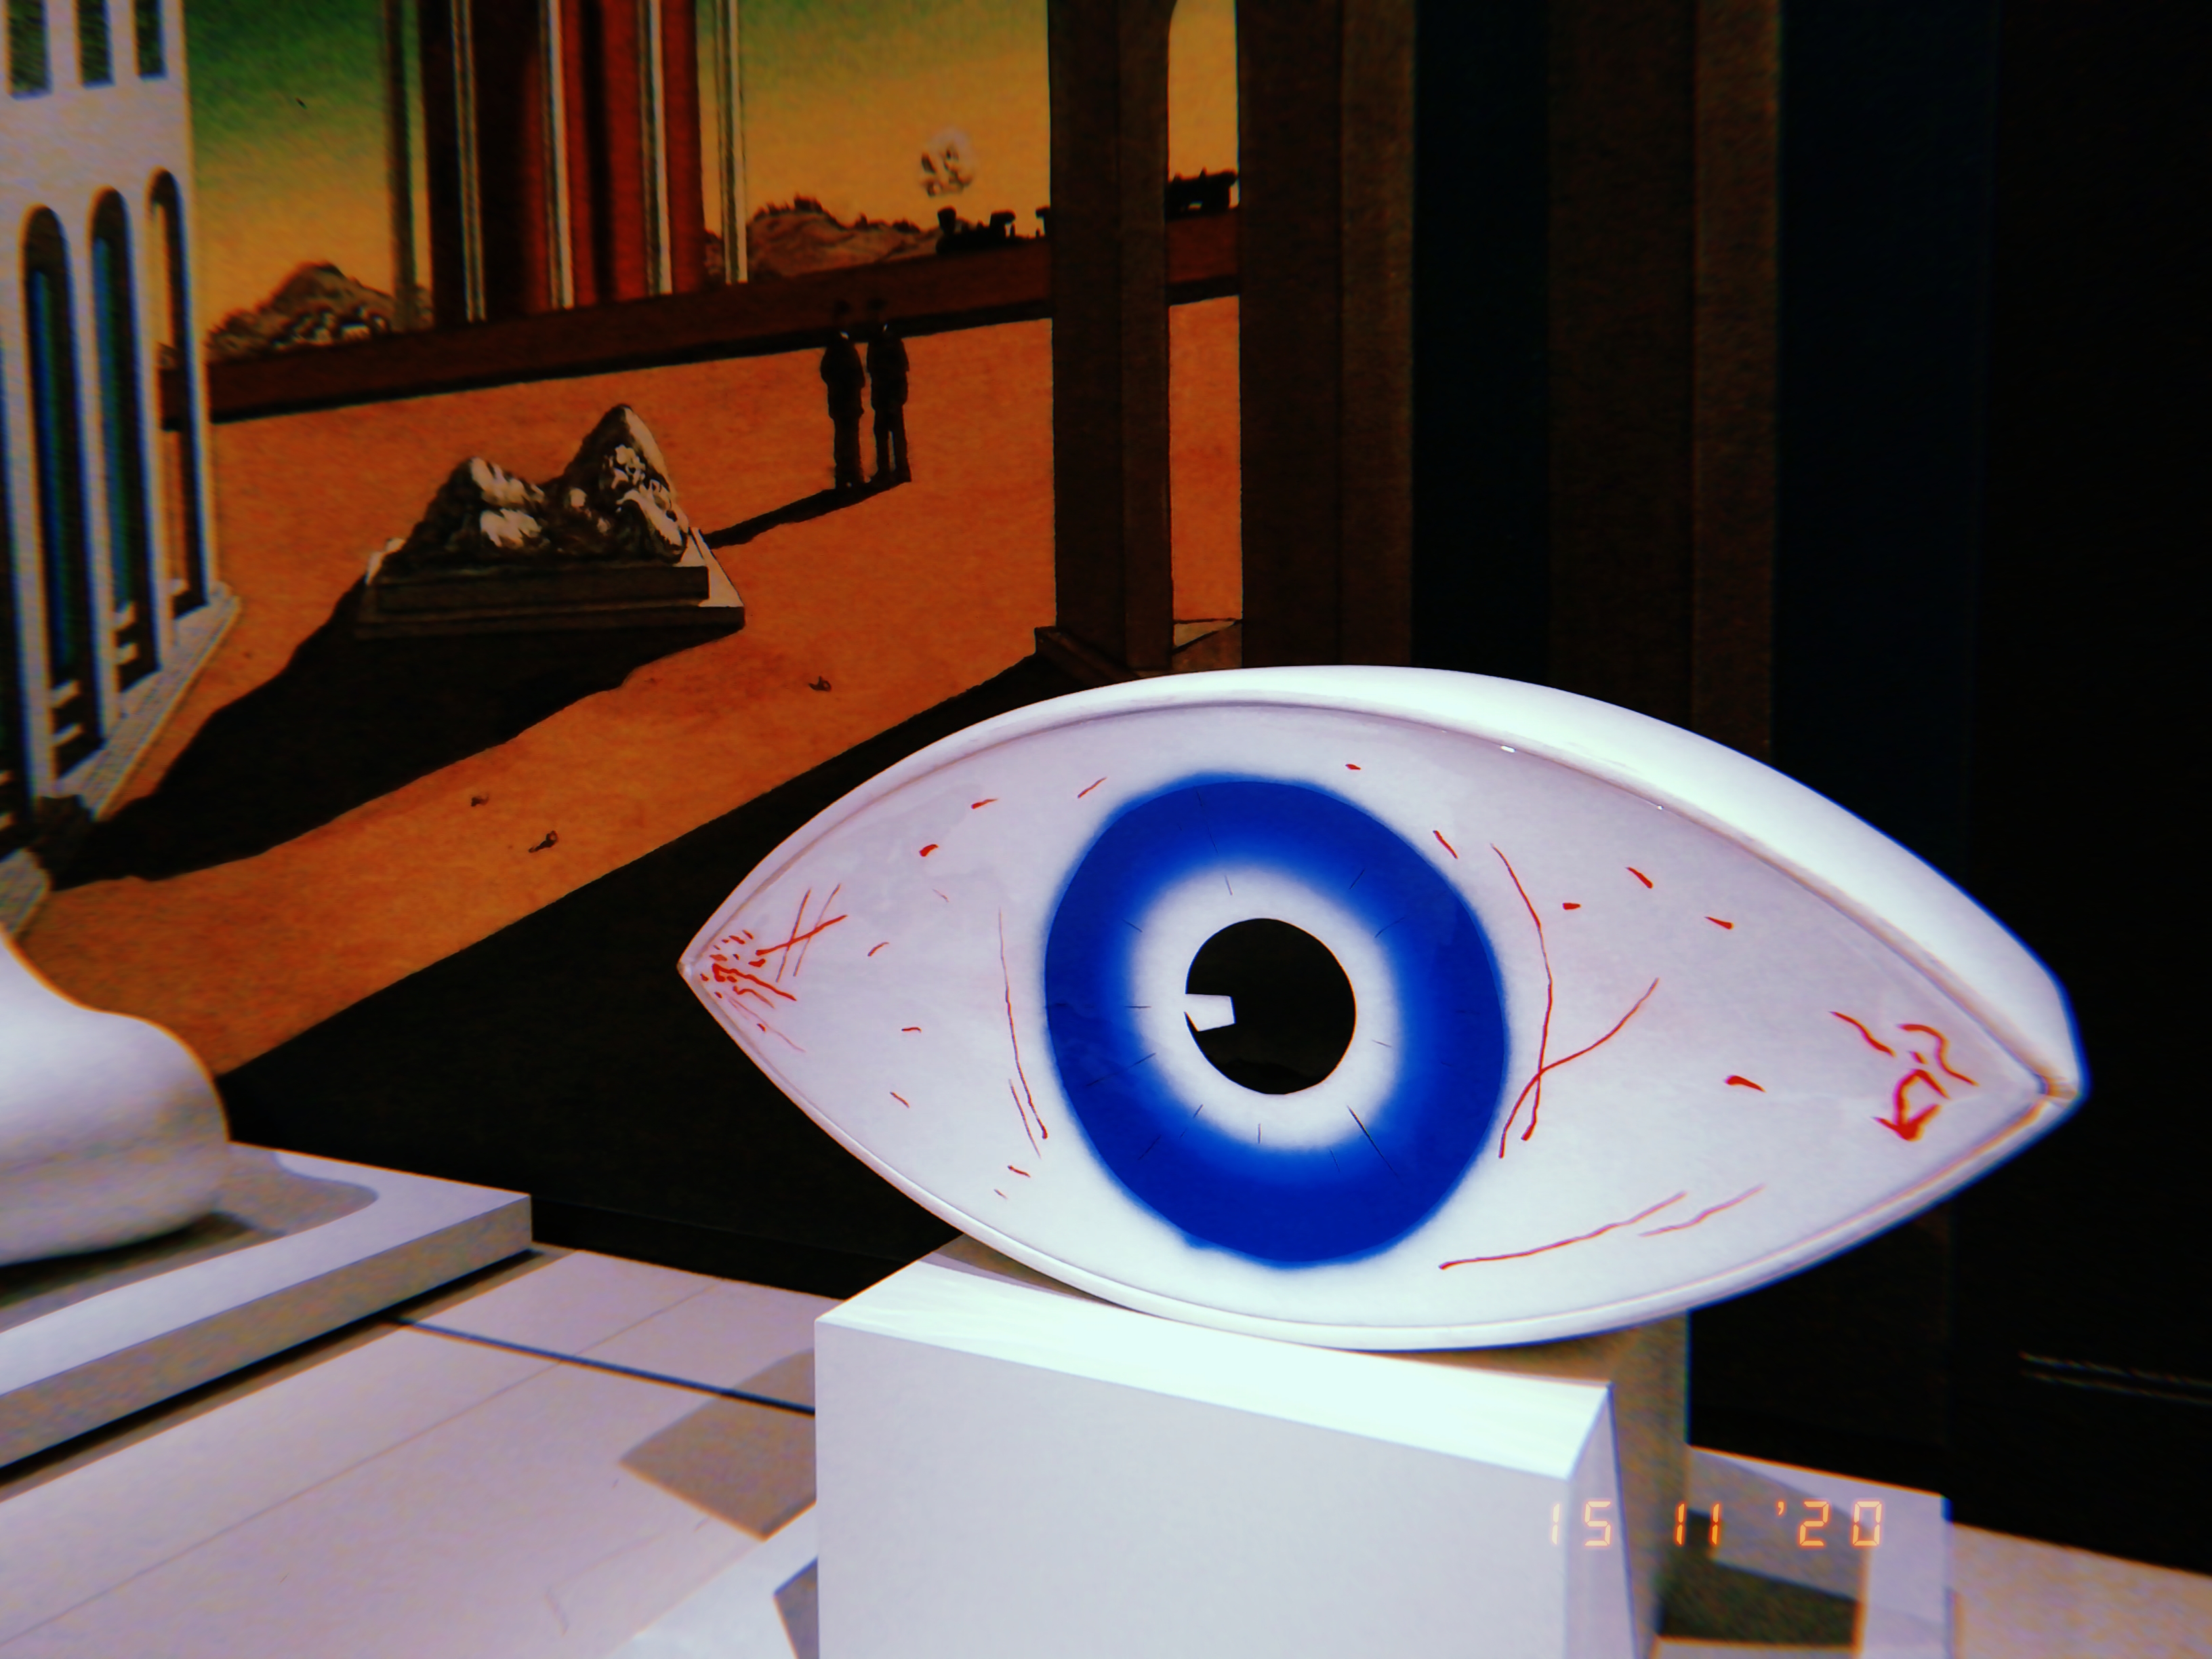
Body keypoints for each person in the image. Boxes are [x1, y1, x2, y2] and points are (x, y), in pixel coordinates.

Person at [819, 305, 866, 491]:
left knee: (846, 437)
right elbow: (829, 372)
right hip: (845, 400)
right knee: (847, 438)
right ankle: (850, 474)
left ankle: (847, 474)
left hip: (845, 400)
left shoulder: (840, 343)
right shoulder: (838, 345)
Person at [867, 304, 911, 485]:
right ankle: (887, 470)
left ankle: (901, 470)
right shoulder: (876, 339)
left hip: (891, 393)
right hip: (882, 394)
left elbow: (901, 367)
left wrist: (899, 395)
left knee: (895, 433)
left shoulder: (891, 340)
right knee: (883, 433)